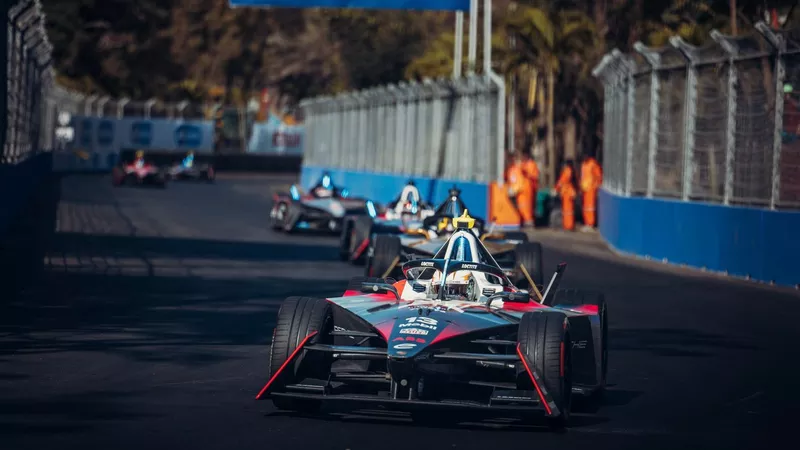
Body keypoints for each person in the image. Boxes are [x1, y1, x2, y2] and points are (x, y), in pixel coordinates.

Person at [505, 151, 529, 228]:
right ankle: (521, 220)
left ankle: (525, 221)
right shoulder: (510, 169)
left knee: (522, 207)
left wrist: (514, 190)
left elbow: (519, 181)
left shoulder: (517, 168)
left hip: (518, 191)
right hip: (514, 191)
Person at [580, 152, 603, 231]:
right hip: (585, 188)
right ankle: (587, 223)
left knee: (590, 207)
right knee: (586, 207)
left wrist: (596, 186)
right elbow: (583, 176)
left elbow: (598, 176)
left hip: (591, 189)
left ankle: (590, 224)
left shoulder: (593, 164)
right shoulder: (584, 164)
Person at [554, 160, 577, 231]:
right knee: (567, 211)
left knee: (568, 211)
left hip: (568, 193)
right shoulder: (570, 171)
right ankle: (567, 225)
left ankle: (568, 226)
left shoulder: (567, 171)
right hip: (567, 192)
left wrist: (556, 188)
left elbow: (562, 181)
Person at [520, 152, 539, 228]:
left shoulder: (531, 164)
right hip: (524, 188)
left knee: (528, 205)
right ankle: (526, 220)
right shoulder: (524, 164)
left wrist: (526, 172)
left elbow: (534, 175)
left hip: (529, 188)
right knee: (524, 205)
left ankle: (529, 221)